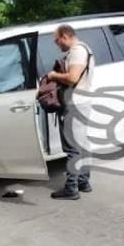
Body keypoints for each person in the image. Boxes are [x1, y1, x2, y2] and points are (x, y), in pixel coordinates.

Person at [46, 24, 95, 199]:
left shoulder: (77, 51)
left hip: (75, 104)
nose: (56, 44)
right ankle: (83, 181)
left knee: (72, 147)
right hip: (82, 101)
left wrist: (53, 76)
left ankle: (71, 188)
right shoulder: (83, 49)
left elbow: (73, 77)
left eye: (56, 40)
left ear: (65, 36)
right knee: (82, 144)